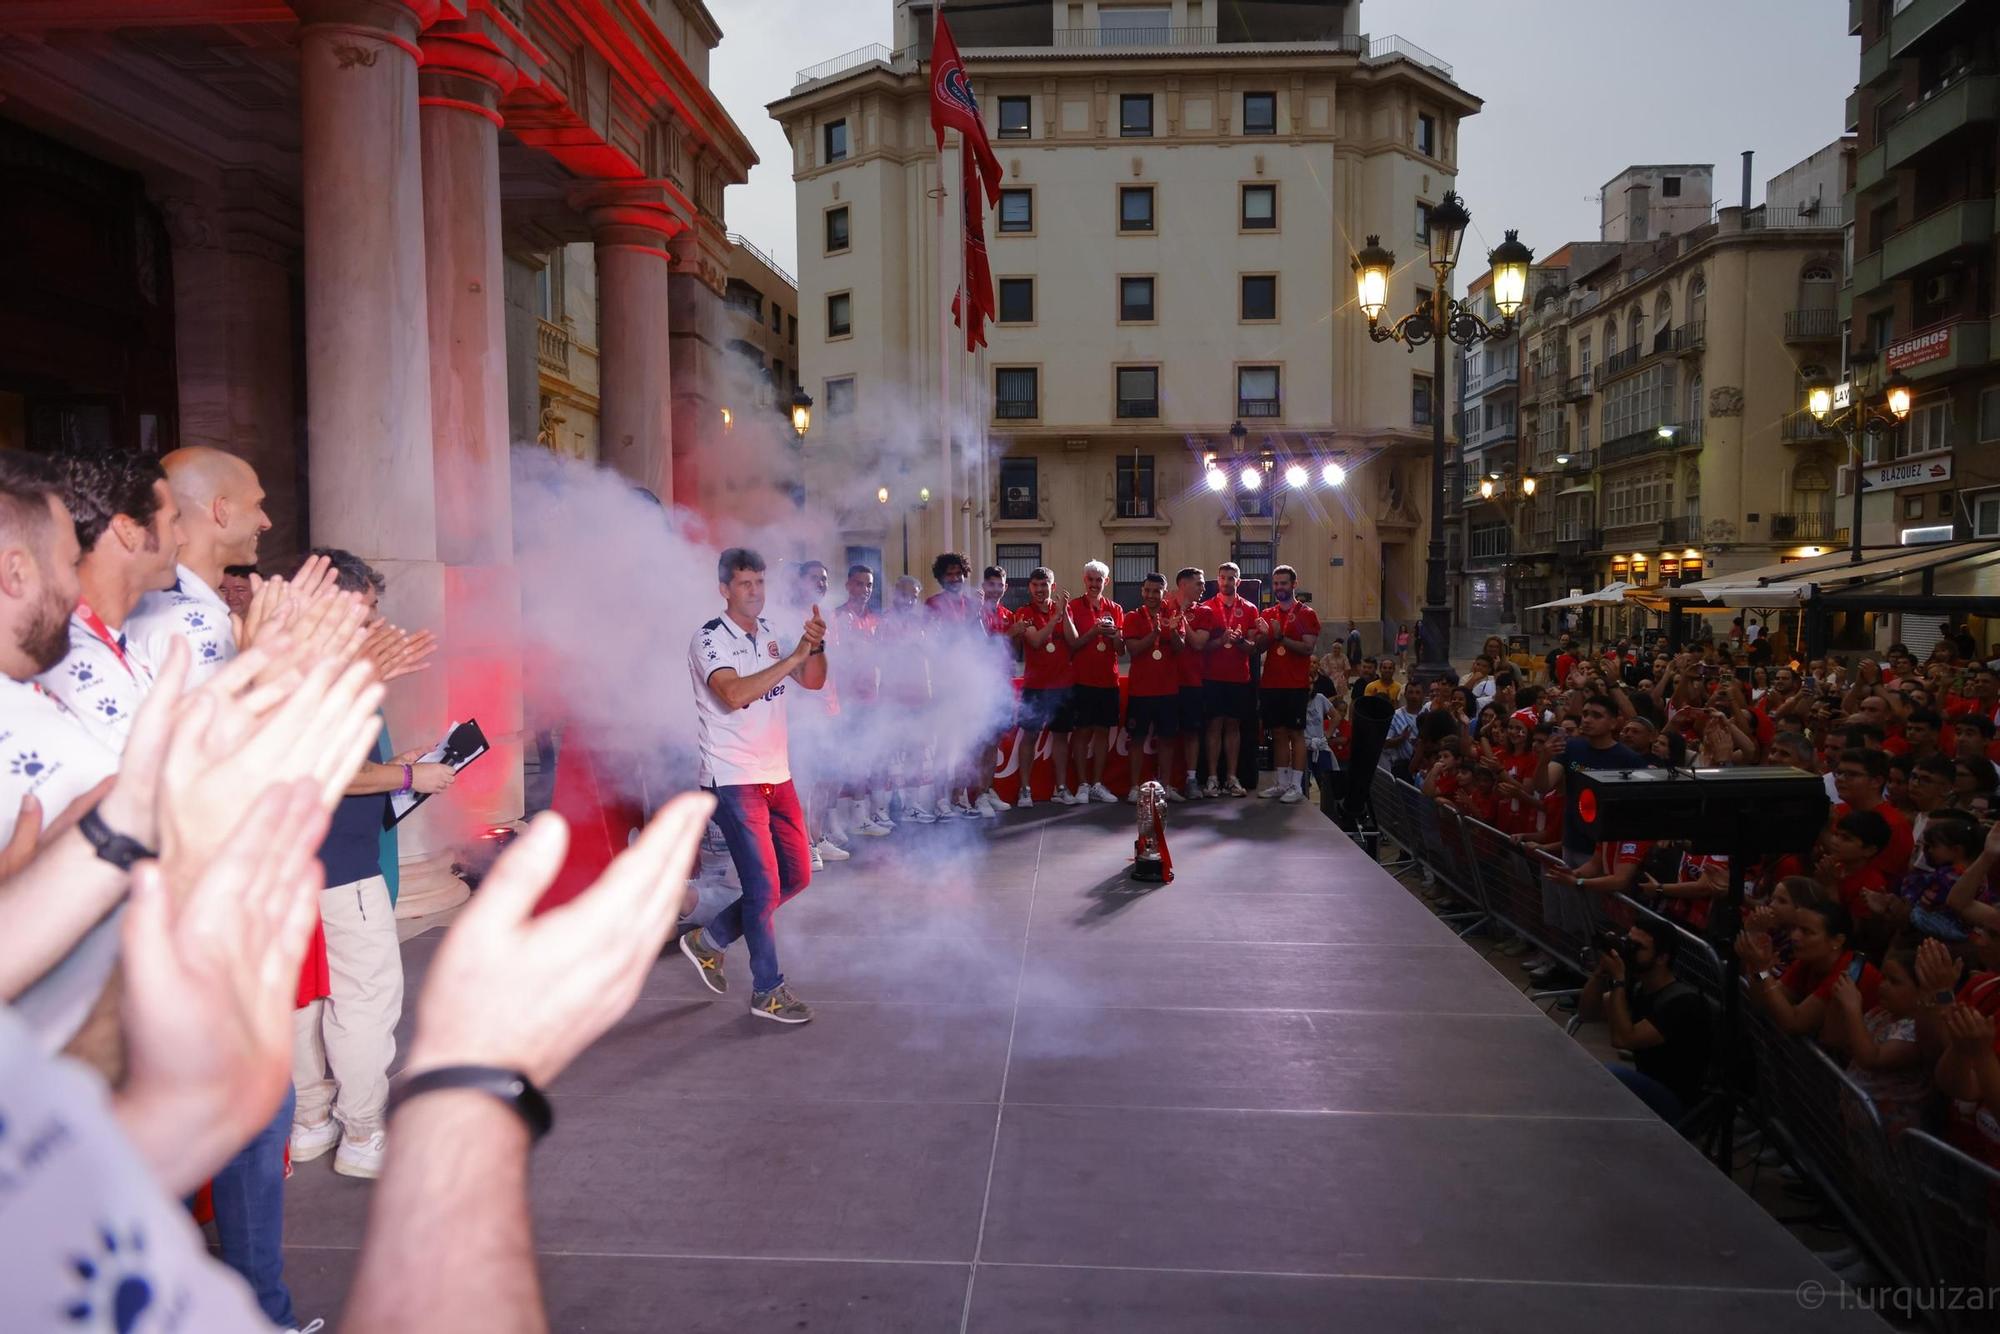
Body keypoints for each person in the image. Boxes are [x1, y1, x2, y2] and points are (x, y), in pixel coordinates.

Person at [288, 549, 455, 1180]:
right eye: (367, 612)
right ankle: (362, 1135)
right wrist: (413, 773)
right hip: (345, 870)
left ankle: (308, 1122)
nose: (376, 628)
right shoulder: (333, 677)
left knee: (300, 1003)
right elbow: (335, 770)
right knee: (362, 1003)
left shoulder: (287, 668)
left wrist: (396, 770)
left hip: (293, 867)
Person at [677, 548, 827, 1025]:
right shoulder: (709, 640)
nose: (755, 592)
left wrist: (815, 646)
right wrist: (795, 657)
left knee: (796, 875)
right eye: (744, 584)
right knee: (762, 887)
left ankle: (710, 939)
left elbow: (815, 682)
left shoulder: (772, 633)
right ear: (724, 589)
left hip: (776, 774)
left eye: (760, 583)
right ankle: (768, 990)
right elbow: (735, 694)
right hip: (732, 779)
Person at [36, 453, 182, 752]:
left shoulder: (114, 640)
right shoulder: (73, 659)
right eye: (172, 522)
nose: (182, 538)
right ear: (127, 531)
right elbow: (161, 779)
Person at [126, 446, 272, 687]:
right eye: (257, 505)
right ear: (222, 510)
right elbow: (221, 722)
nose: (266, 522)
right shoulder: (197, 624)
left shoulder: (146, 599)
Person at [1578, 920, 1712, 1123]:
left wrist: (1618, 981)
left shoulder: (1682, 1002)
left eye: (1637, 948)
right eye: (1628, 942)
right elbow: (1588, 1013)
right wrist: (1600, 973)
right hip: (1649, 1085)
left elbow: (1623, 1040)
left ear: (1661, 958)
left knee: (1609, 1075)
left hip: (1678, 1104)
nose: (1629, 952)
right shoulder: (1641, 987)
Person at [1189, 561, 1263, 797]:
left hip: (1239, 678)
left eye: (1231, 578)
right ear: (1217, 580)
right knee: (1214, 726)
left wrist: (1240, 641)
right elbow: (1200, 647)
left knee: (1233, 726)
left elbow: (1253, 648)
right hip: (1212, 677)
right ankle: (1212, 777)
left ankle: (1232, 777)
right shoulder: (1206, 608)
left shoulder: (1250, 608)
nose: (1226, 581)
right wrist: (1220, 641)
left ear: (1238, 581)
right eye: (1222, 577)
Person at [1012, 567, 1078, 805]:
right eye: (1035, 585)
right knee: (1029, 735)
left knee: (1061, 737)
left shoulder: (1062, 609)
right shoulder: (1023, 613)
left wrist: (1065, 615)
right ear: (1030, 587)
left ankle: (1060, 788)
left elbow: (1074, 642)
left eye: (1044, 585)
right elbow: (1037, 641)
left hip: (1062, 685)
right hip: (1036, 685)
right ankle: (1025, 790)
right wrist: (1054, 618)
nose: (1040, 590)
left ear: (1053, 586)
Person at [1257, 564, 1319, 804]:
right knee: (1278, 733)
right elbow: (1260, 648)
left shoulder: (1306, 614)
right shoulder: (1268, 613)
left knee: (1296, 734)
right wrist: (1265, 635)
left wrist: (1281, 636)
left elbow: (1307, 648)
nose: (1279, 587)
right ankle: (1281, 784)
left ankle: (1296, 785)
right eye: (1276, 583)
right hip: (1271, 682)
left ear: (1294, 584)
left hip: (1295, 684)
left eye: (1284, 583)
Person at [1065, 558, 1124, 804]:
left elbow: (1121, 650)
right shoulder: (1074, 607)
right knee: (1082, 733)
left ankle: (1097, 784)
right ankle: (1082, 784)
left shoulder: (1116, 609)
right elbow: (1073, 644)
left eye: (1099, 580)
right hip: (1082, 680)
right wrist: (1094, 632)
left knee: (1102, 733)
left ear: (1106, 582)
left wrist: (1113, 636)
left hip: (1108, 681)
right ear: (1084, 580)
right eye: (1090, 579)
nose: (1094, 584)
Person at [1121, 572, 1179, 800]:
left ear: (1164, 593)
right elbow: (1133, 650)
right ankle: (1135, 788)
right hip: (1140, 690)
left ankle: (1165, 786)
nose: (1151, 595)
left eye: (1156, 591)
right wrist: (1153, 634)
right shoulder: (1133, 617)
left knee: (1167, 739)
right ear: (1142, 591)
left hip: (1168, 689)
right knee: (1137, 740)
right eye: (1147, 590)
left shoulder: (1174, 615)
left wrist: (1172, 631)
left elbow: (1180, 648)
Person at [1169, 566, 1206, 800]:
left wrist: (1182, 617)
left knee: (1192, 732)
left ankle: (1191, 779)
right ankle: (1168, 782)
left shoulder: (1204, 612)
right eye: (1198, 583)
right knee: (1167, 734)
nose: (1203, 587)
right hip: (1165, 683)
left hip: (1192, 682)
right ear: (1183, 584)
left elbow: (1199, 643)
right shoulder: (1162, 606)